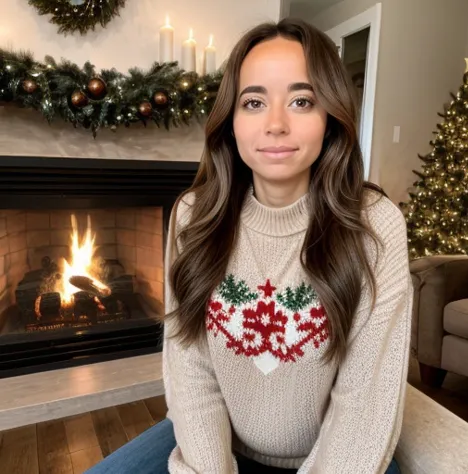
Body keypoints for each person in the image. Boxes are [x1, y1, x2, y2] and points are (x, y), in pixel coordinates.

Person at [87, 17, 412, 474]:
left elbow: (364, 401)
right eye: (254, 101)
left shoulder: (374, 226)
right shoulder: (193, 215)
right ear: (232, 121)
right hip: (220, 446)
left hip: (335, 456)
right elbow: (190, 370)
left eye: (302, 101)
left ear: (330, 118)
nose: (276, 124)